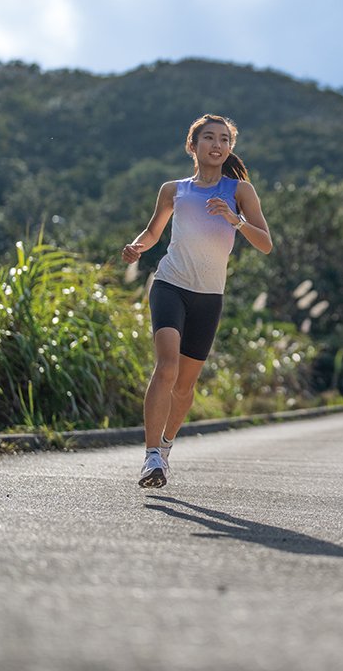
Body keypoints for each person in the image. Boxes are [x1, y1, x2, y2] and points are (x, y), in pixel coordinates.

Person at [121, 114, 273, 488]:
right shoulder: (173, 190)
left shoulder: (240, 191)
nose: (217, 145)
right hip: (170, 283)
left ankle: (167, 446)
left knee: (186, 387)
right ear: (193, 145)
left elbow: (266, 244)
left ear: (230, 148)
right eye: (209, 138)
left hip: (209, 296)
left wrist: (235, 220)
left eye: (224, 139)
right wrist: (138, 247)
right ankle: (151, 456)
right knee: (167, 366)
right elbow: (155, 230)